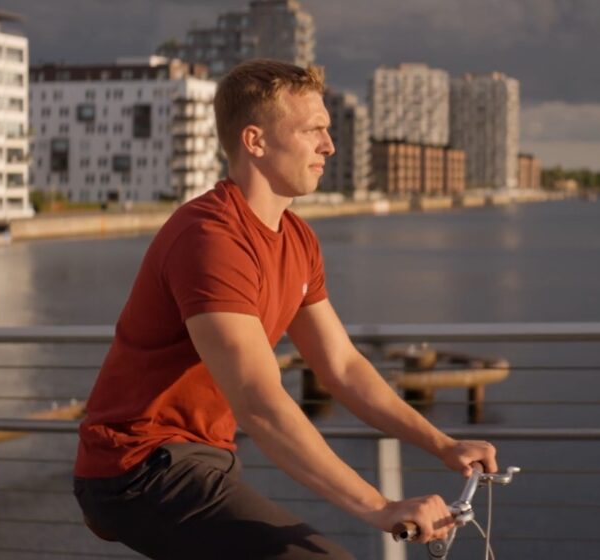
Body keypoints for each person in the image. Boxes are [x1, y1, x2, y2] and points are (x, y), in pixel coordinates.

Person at [73, 59, 498, 560]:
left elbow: (341, 366)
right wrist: (378, 507)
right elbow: (259, 401)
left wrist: (441, 444)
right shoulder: (211, 240)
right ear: (255, 141)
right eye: (313, 131)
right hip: (139, 468)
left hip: (205, 459)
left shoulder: (296, 238)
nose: (329, 146)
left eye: (328, 130)